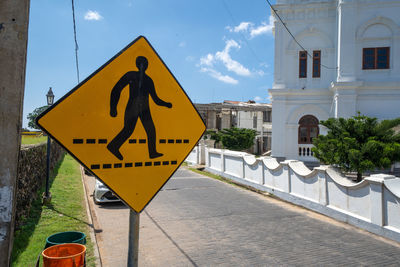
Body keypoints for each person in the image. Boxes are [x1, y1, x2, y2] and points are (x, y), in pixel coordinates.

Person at [107, 56, 172, 160]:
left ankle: (152, 152)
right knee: (128, 130)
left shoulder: (149, 80)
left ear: (147, 66)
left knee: (151, 130)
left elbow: (155, 99)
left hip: (145, 109)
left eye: (144, 64)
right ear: (137, 65)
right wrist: (113, 108)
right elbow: (116, 89)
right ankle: (113, 146)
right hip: (132, 107)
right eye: (140, 63)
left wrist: (166, 104)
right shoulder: (131, 75)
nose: (142, 66)